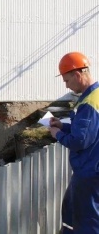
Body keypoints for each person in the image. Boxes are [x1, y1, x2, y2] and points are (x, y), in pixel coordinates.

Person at [49, 51, 99, 233]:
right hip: (89, 168)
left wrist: (57, 134)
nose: (67, 86)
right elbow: (90, 130)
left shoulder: (89, 103)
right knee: (71, 211)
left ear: (77, 75)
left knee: (88, 221)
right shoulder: (94, 96)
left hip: (89, 172)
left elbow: (80, 140)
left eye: (67, 80)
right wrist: (63, 126)